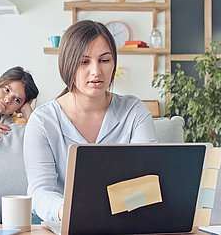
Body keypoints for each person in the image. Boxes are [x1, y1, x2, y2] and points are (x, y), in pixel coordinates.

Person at [23, 20, 157, 222]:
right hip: (63, 221)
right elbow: (40, 191)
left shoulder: (134, 111)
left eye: (104, 60)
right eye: (84, 62)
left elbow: (148, 180)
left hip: (125, 220)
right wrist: (68, 212)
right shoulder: (42, 120)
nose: (96, 71)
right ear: (67, 64)